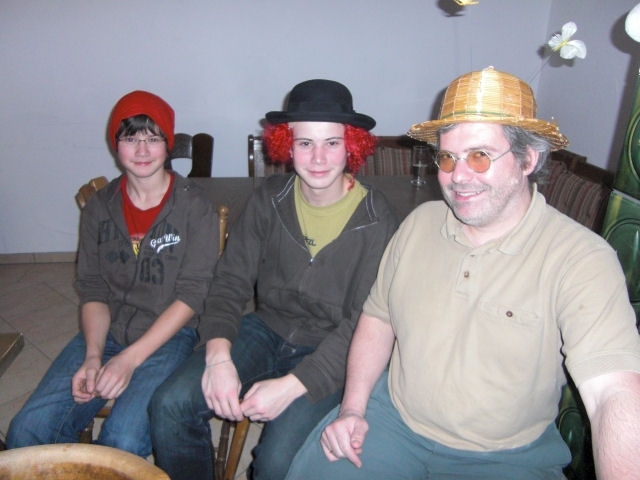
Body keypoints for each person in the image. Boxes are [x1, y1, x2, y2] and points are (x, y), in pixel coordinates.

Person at [286, 67, 640, 480]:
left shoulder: (581, 259)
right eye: (447, 158)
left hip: (505, 457)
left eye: (479, 156)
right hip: (391, 423)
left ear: (528, 158)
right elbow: (378, 318)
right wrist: (352, 409)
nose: (458, 176)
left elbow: (613, 391)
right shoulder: (419, 223)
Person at [149, 79, 399, 480]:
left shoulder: (377, 218)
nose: (318, 157)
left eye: (332, 143)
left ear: (351, 145)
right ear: (288, 145)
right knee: (170, 404)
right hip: (266, 328)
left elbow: (363, 325)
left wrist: (293, 385)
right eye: (305, 143)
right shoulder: (269, 198)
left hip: (332, 350)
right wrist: (218, 356)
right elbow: (229, 281)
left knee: (276, 462)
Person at [7, 90, 220, 457]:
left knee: (123, 440)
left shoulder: (194, 205)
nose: (142, 150)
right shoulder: (99, 208)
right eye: (131, 138)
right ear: (115, 144)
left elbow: (193, 294)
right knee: (27, 430)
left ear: (168, 144)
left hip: (172, 337)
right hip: (108, 332)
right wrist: (93, 355)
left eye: (153, 138)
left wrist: (129, 360)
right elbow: (93, 289)